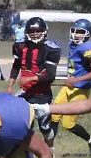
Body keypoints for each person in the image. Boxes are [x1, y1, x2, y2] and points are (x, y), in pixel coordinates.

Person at [6, 17, 61, 148]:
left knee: (45, 128)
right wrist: (10, 86)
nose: (35, 34)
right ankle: (24, 150)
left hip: (42, 94)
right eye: (32, 31)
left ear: (44, 31)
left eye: (38, 31)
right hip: (25, 92)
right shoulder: (20, 46)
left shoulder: (50, 48)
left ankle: (50, 150)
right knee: (19, 123)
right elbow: (16, 66)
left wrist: (30, 79)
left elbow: (50, 76)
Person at [51, 18, 91, 156]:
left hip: (80, 89)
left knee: (68, 124)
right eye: (74, 31)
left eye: (80, 32)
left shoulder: (88, 48)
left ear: (87, 34)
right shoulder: (73, 45)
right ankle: (50, 150)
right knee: (53, 115)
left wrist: (77, 80)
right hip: (69, 87)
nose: (76, 34)